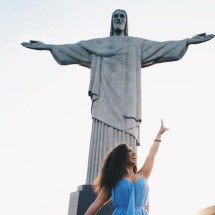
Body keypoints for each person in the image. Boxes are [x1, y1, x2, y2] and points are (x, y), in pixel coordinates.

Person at [21, 9, 214, 184]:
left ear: (126, 22)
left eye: (122, 16)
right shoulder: (98, 45)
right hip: (104, 100)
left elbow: (161, 48)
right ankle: (97, 181)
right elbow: (74, 49)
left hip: (127, 104)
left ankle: (123, 180)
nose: (119, 19)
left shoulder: (135, 45)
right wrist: (47, 47)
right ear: (111, 22)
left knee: (126, 144)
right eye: (116, 16)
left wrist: (187, 41)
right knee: (101, 140)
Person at [84, 120, 168, 215]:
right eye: (129, 151)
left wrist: (159, 135)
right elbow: (96, 204)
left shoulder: (143, 174)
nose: (133, 152)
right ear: (121, 156)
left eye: (133, 150)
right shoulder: (113, 180)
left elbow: (151, 154)